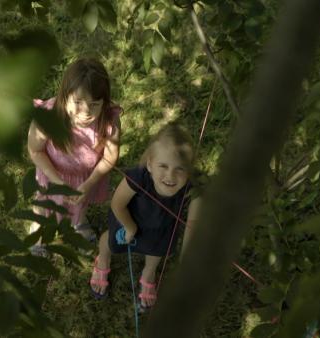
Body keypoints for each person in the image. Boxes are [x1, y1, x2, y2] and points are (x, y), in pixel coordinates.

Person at [89, 122, 202, 311]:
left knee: (158, 249)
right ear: (150, 164)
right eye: (163, 166)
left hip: (162, 227)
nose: (170, 175)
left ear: (189, 170)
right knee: (111, 242)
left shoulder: (194, 190)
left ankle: (149, 273)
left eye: (180, 169)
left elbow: (193, 226)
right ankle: (102, 259)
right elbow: (118, 203)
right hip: (129, 220)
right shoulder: (139, 176)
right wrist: (129, 227)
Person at [27, 58, 122, 255]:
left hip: (85, 178)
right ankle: (38, 230)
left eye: (94, 104)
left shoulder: (108, 120)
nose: (86, 112)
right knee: (44, 203)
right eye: (78, 102)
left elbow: (110, 157)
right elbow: (35, 150)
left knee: (81, 202)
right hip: (52, 173)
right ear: (64, 97)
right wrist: (57, 183)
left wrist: (87, 185)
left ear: (104, 102)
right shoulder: (49, 117)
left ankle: (77, 223)